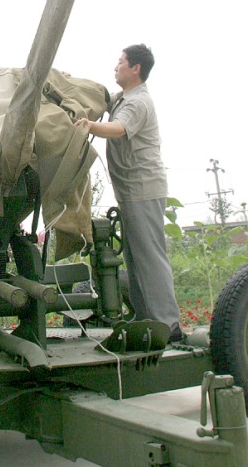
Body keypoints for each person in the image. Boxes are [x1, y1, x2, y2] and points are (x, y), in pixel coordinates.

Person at [75, 44, 182, 343]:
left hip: (143, 189)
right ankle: (145, 318)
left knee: (150, 255)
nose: (116, 66)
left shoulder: (139, 103)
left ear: (135, 68)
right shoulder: (123, 97)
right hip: (131, 190)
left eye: (121, 62)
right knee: (135, 258)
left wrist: (89, 126)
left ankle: (168, 324)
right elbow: (100, 97)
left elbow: (119, 129)